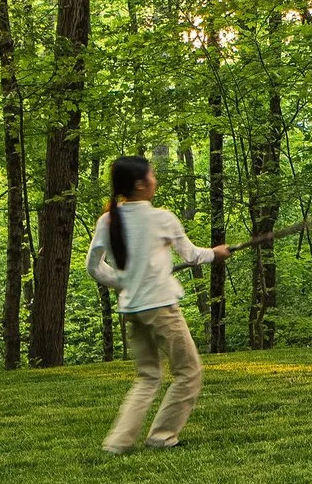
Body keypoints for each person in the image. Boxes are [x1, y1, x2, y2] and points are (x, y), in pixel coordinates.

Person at [85, 154, 232, 453]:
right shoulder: (161, 218)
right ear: (140, 184)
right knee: (189, 372)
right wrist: (216, 253)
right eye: (152, 175)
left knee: (148, 377)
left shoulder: (108, 220)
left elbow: (94, 267)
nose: (156, 180)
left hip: (131, 308)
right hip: (162, 309)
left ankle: (117, 442)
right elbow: (192, 256)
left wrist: (123, 281)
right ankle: (162, 437)